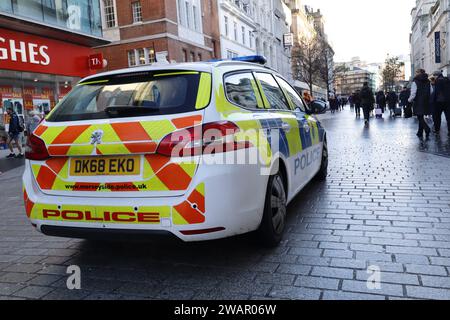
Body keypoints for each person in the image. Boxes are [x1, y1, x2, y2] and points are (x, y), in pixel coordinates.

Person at [408, 69, 432, 139]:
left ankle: (427, 129)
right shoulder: (428, 81)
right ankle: (420, 132)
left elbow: (413, 93)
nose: (415, 74)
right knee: (421, 117)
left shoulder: (415, 82)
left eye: (416, 72)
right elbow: (431, 91)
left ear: (419, 73)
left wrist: (409, 100)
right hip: (426, 101)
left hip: (418, 102)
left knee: (419, 117)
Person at [432, 71, 450, 136]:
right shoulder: (447, 80)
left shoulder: (437, 81)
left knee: (437, 117)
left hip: (438, 102)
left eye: (434, 75)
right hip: (448, 101)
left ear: (437, 75)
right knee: (448, 117)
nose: (434, 77)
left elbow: (436, 92)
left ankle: (437, 130)